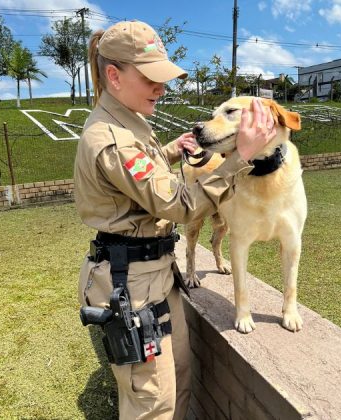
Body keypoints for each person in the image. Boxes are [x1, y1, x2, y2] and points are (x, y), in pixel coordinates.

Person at [75, 21, 276, 419]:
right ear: (113, 76)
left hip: (153, 274)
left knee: (179, 378)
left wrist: (170, 150)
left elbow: (139, 175)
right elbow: (181, 206)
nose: (161, 88)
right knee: (153, 405)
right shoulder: (110, 137)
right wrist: (240, 158)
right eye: (151, 78)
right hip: (132, 284)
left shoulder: (127, 119)